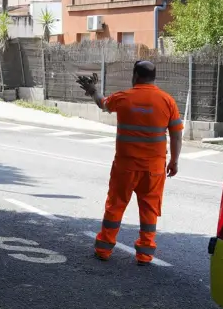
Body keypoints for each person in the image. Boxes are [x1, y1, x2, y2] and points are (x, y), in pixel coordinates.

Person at [78, 61, 183, 266]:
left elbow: (103, 103)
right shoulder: (167, 101)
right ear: (154, 77)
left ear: (135, 75)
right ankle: (144, 254)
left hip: (125, 167)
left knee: (115, 205)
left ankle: (104, 249)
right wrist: (174, 161)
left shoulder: (123, 97)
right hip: (153, 169)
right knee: (150, 209)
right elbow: (177, 135)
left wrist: (93, 90)